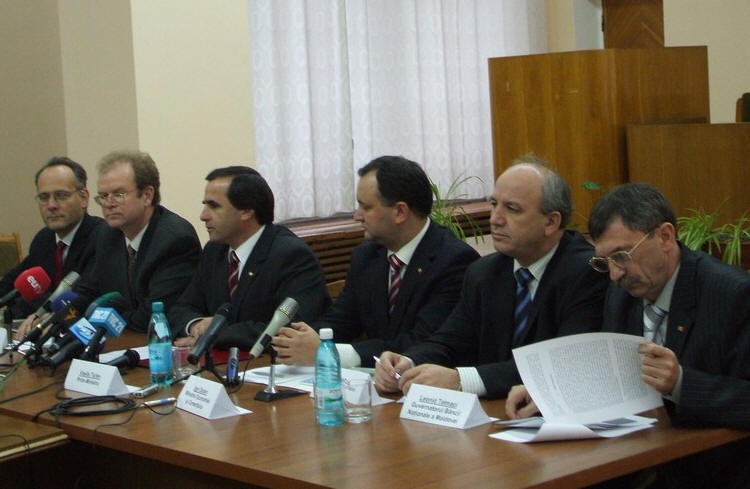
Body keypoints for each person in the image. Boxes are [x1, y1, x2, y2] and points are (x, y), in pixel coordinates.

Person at [505, 183, 750, 488]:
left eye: (621, 255)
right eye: (604, 261)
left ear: (665, 237)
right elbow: (614, 371)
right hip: (636, 459)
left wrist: (682, 384)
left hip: (713, 471)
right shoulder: (622, 293)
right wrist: (551, 392)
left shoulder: (733, 295)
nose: (615, 274)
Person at [374, 155, 608, 399]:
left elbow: (562, 364)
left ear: (551, 222)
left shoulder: (587, 272)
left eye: (512, 209)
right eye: (494, 204)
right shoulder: (484, 273)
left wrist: (461, 380)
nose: (495, 219)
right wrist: (408, 362)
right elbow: (450, 340)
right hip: (495, 412)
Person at [271, 156, 479, 368]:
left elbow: (421, 343)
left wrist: (327, 352)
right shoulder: (367, 256)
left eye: (366, 207)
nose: (357, 216)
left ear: (400, 212)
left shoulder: (454, 261)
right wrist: (304, 340)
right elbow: (341, 321)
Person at [169, 166, 330, 350]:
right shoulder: (214, 251)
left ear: (246, 211)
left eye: (214, 206)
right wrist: (196, 325)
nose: (203, 216)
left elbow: (289, 329)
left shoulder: (291, 256)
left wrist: (216, 333)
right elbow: (181, 308)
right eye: (205, 205)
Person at [73, 150, 201, 332]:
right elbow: (89, 291)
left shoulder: (175, 240)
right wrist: (56, 317)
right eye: (103, 196)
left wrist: (101, 318)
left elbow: (153, 317)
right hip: (124, 340)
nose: (108, 204)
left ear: (147, 195)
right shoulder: (108, 235)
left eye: (119, 194)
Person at [7, 157, 105, 339]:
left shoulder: (102, 237)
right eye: (44, 197)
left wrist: (45, 315)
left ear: (84, 198)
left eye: (61, 195)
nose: (51, 205)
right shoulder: (43, 239)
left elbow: (83, 296)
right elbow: (14, 283)